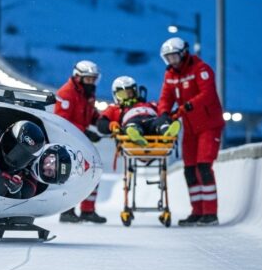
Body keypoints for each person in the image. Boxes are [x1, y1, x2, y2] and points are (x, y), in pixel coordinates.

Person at [157, 37, 224, 227]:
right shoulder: (170, 74)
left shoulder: (201, 69)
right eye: (168, 58)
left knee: (204, 166)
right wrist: (163, 113)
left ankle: (210, 213)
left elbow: (207, 94)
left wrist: (186, 107)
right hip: (189, 127)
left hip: (209, 125)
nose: (171, 62)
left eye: (174, 57)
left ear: (184, 53)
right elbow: (165, 97)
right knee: (189, 170)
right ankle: (197, 211)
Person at [54, 60, 107, 223]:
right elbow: (62, 121)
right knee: (72, 175)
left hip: (81, 140)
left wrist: (103, 121)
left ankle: (88, 210)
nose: (91, 82)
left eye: (93, 79)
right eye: (88, 79)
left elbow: (91, 115)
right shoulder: (66, 93)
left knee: (92, 172)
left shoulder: (88, 94)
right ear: (78, 77)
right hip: (68, 141)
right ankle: (67, 211)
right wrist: (86, 132)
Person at [96, 76, 181, 143]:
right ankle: (135, 133)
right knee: (132, 124)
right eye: (122, 95)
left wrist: (170, 116)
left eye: (130, 93)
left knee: (160, 122)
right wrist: (112, 126)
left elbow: (163, 110)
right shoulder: (116, 109)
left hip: (152, 120)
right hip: (132, 120)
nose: (128, 97)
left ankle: (166, 131)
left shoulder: (150, 104)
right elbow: (101, 122)